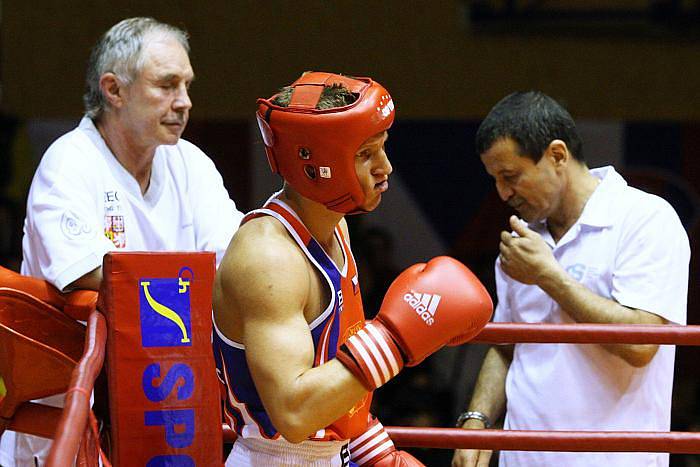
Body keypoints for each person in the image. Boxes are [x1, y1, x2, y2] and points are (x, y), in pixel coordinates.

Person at [212, 71, 493, 466]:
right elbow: (293, 414)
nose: (385, 168)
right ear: (316, 165)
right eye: (365, 154)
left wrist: (376, 452)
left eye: (383, 148)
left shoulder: (336, 228)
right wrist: (394, 340)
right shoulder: (268, 256)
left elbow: (335, 378)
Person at [0, 17, 243, 467]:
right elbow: (88, 273)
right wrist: (192, 276)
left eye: (187, 85)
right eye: (167, 85)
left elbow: (239, 261)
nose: (184, 102)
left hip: (171, 397)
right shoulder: (68, 164)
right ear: (113, 90)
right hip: (75, 413)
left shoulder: (191, 163)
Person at [452, 91, 690, 467]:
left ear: (557, 155)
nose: (502, 193)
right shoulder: (520, 240)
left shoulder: (645, 219)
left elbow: (642, 344)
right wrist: (477, 418)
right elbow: (506, 344)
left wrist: (548, 276)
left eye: (511, 176)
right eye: (495, 179)